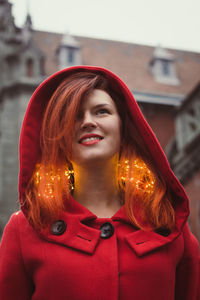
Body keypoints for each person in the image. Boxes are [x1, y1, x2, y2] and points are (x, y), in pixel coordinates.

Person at [0, 66, 199, 300]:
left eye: (101, 111)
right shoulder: (24, 228)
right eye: (73, 116)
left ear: (124, 128)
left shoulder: (168, 220)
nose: (87, 122)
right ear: (58, 136)